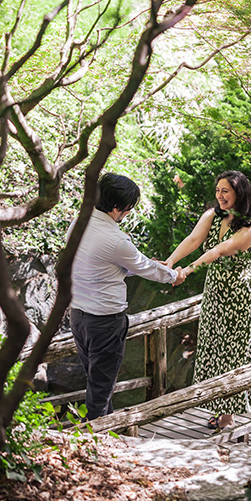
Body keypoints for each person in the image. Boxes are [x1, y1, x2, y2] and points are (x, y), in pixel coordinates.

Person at [70, 173, 187, 420]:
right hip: (105, 322)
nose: (128, 212)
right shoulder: (116, 239)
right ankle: (95, 443)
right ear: (116, 208)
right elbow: (144, 267)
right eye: (128, 208)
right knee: (101, 389)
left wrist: (148, 265)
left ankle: (104, 435)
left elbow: (106, 264)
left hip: (78, 316)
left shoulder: (78, 224)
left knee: (97, 381)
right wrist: (172, 276)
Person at [163, 170, 251, 431]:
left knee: (234, 352)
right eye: (217, 190)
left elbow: (218, 250)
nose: (220, 196)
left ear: (239, 193)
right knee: (214, 347)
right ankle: (220, 407)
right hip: (215, 292)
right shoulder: (212, 215)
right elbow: (195, 240)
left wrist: (188, 270)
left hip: (238, 296)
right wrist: (171, 262)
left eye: (225, 191)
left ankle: (229, 416)